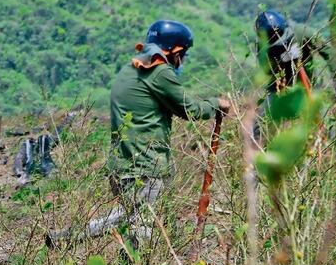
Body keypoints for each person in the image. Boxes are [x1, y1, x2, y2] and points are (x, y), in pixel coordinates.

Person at [47, 20, 230, 249]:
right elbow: (190, 110)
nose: (183, 61)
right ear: (176, 51)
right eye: (184, 55)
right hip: (146, 166)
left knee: (130, 216)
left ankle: (71, 237)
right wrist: (217, 104)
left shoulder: (130, 69)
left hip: (122, 165)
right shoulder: (159, 71)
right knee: (143, 232)